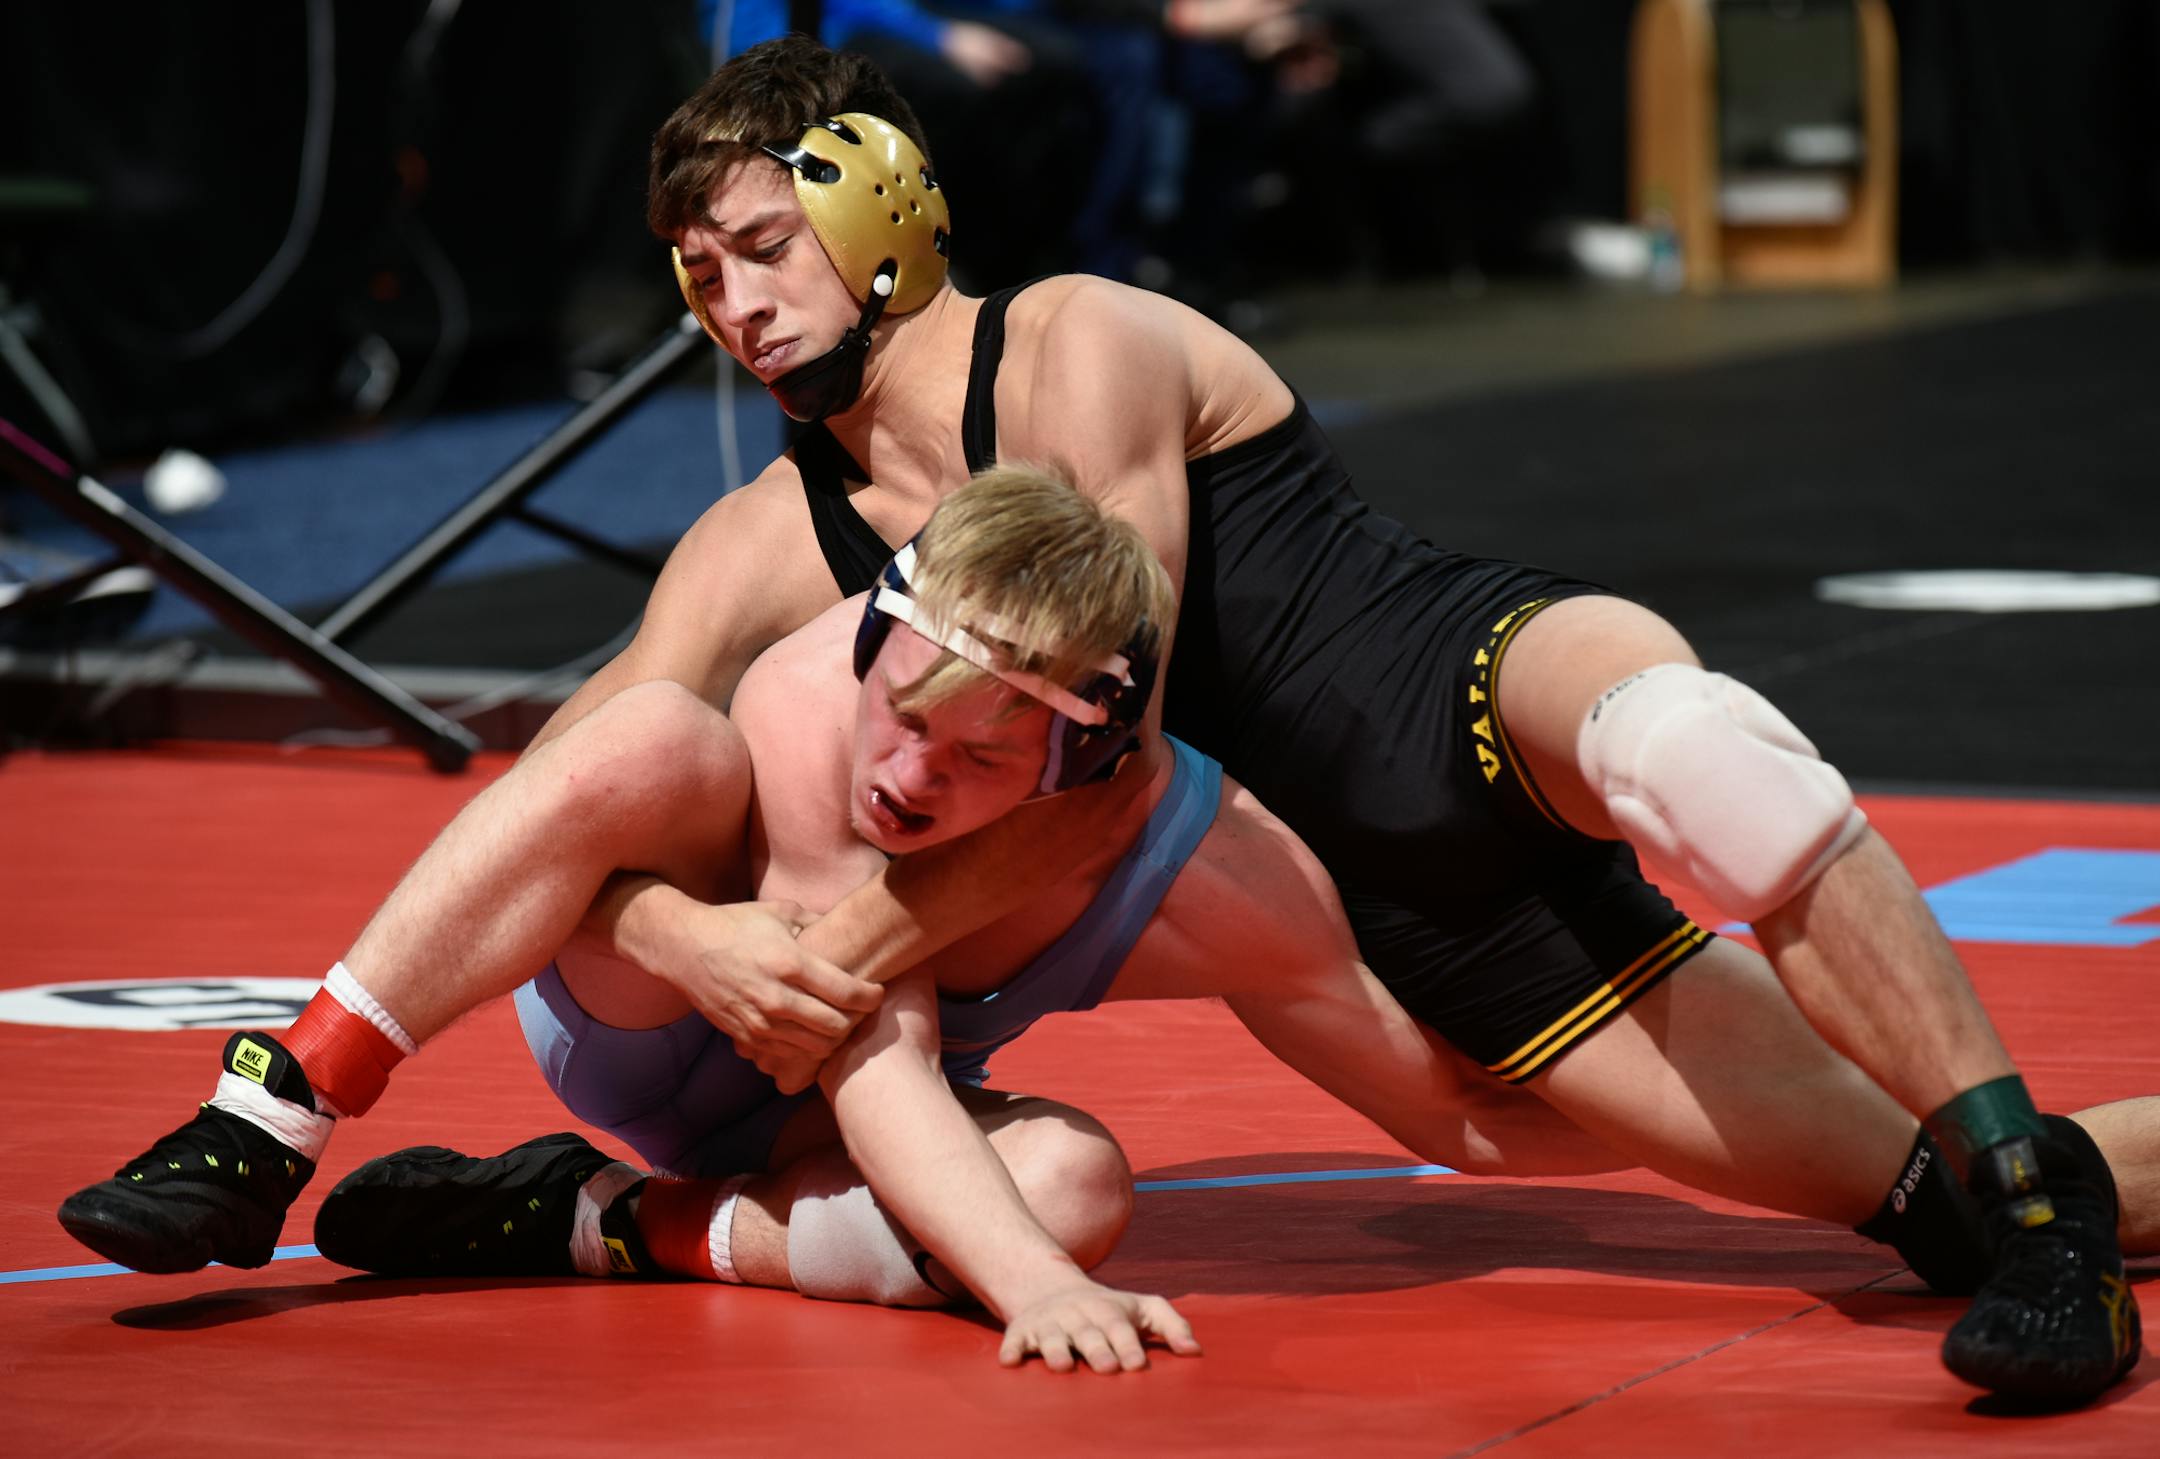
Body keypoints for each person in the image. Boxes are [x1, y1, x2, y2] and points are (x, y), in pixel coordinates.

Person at [61, 38, 2140, 1403]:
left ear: (878, 208)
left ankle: (2042, 1224)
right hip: (1375, 905)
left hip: (1442, 682)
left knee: (1705, 754)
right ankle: (287, 1111)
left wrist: (831, 956)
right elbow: (576, 793)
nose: (733, 303)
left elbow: (1107, 741)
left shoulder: (1076, 344)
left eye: (765, 246)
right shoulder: (766, 538)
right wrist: (691, 936)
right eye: (697, 273)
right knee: (1892, 1196)